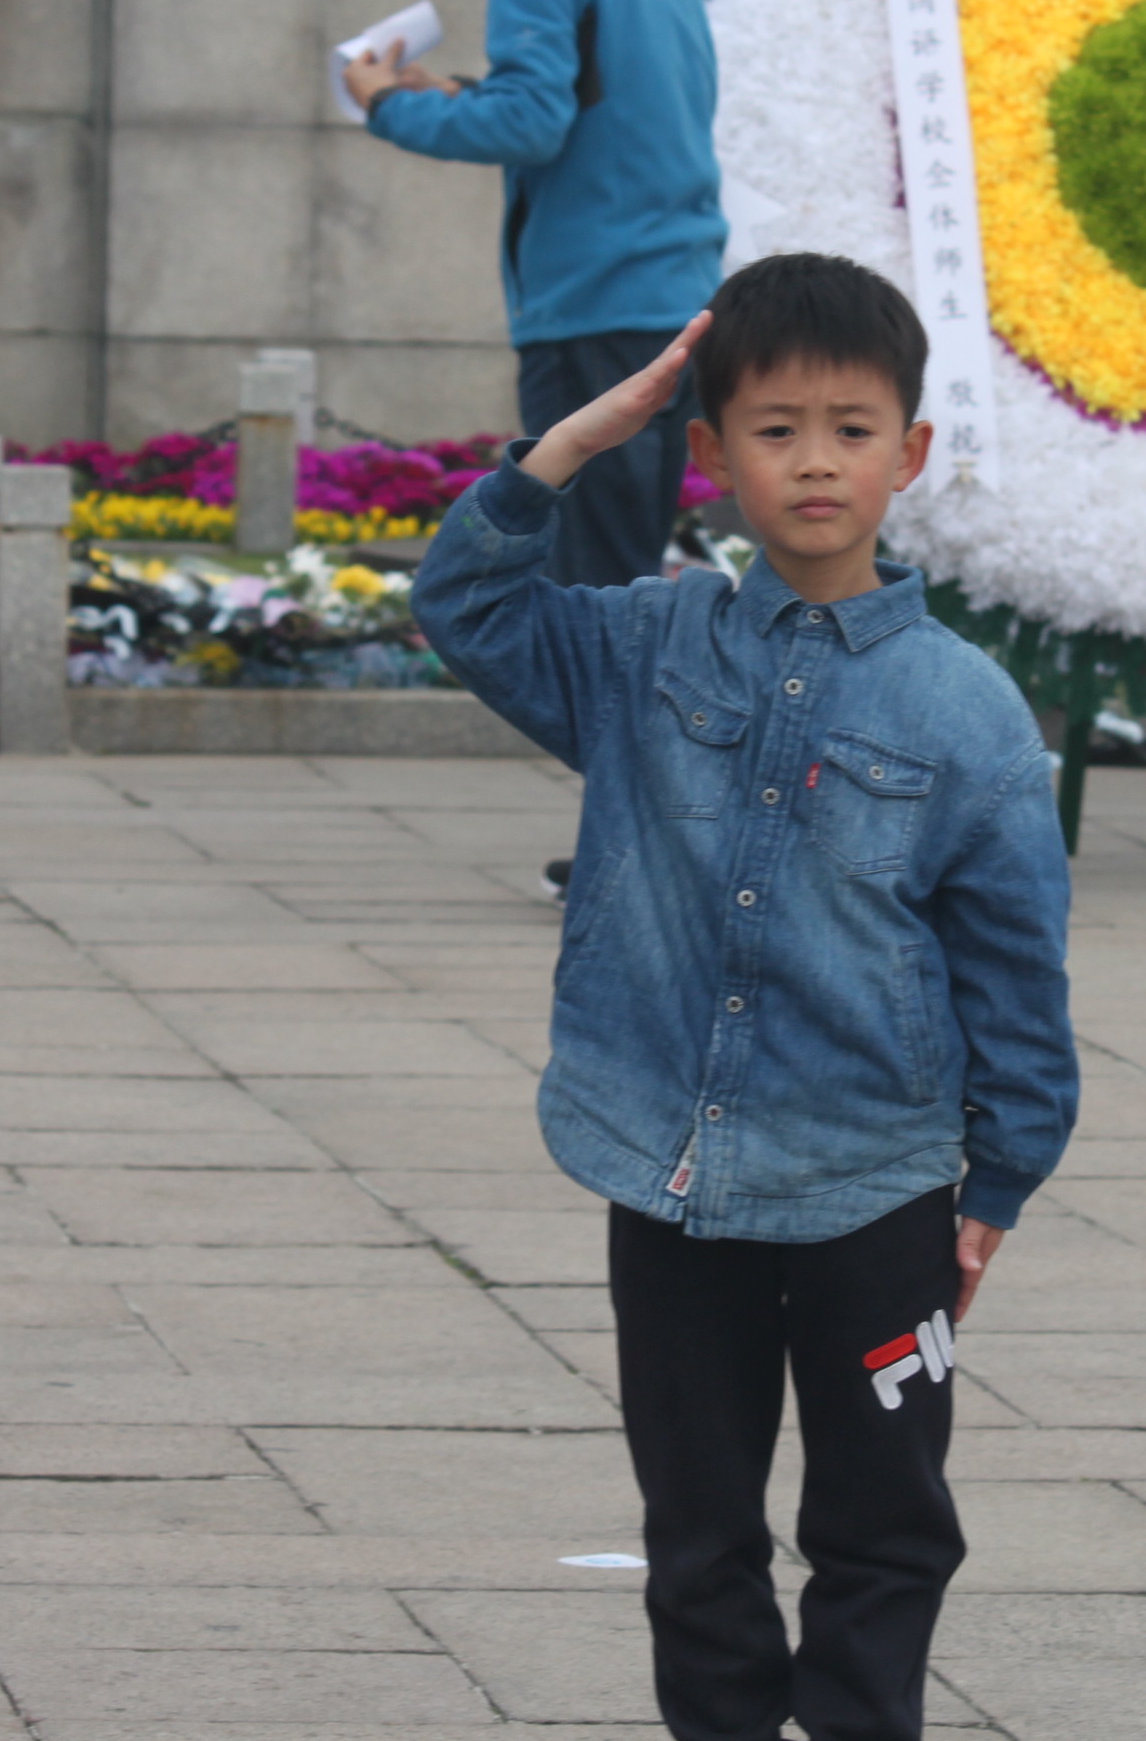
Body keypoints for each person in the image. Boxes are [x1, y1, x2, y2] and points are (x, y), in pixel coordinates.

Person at [409, 251, 1076, 1741]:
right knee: (698, 1530)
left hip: (878, 1186)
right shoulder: (638, 649)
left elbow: (1017, 960)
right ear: (708, 457)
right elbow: (461, 599)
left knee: (885, 1520)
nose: (816, 462)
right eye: (774, 429)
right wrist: (583, 437)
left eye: (851, 428)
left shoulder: (963, 708)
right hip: (668, 1169)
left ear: (909, 453)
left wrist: (1006, 1172)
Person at [343, 0, 723, 595]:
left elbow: (531, 125)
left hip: (591, 310)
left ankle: (610, 744)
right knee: (625, 578)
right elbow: (610, 110)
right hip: (672, 302)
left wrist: (388, 105)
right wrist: (464, 97)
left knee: (589, 598)